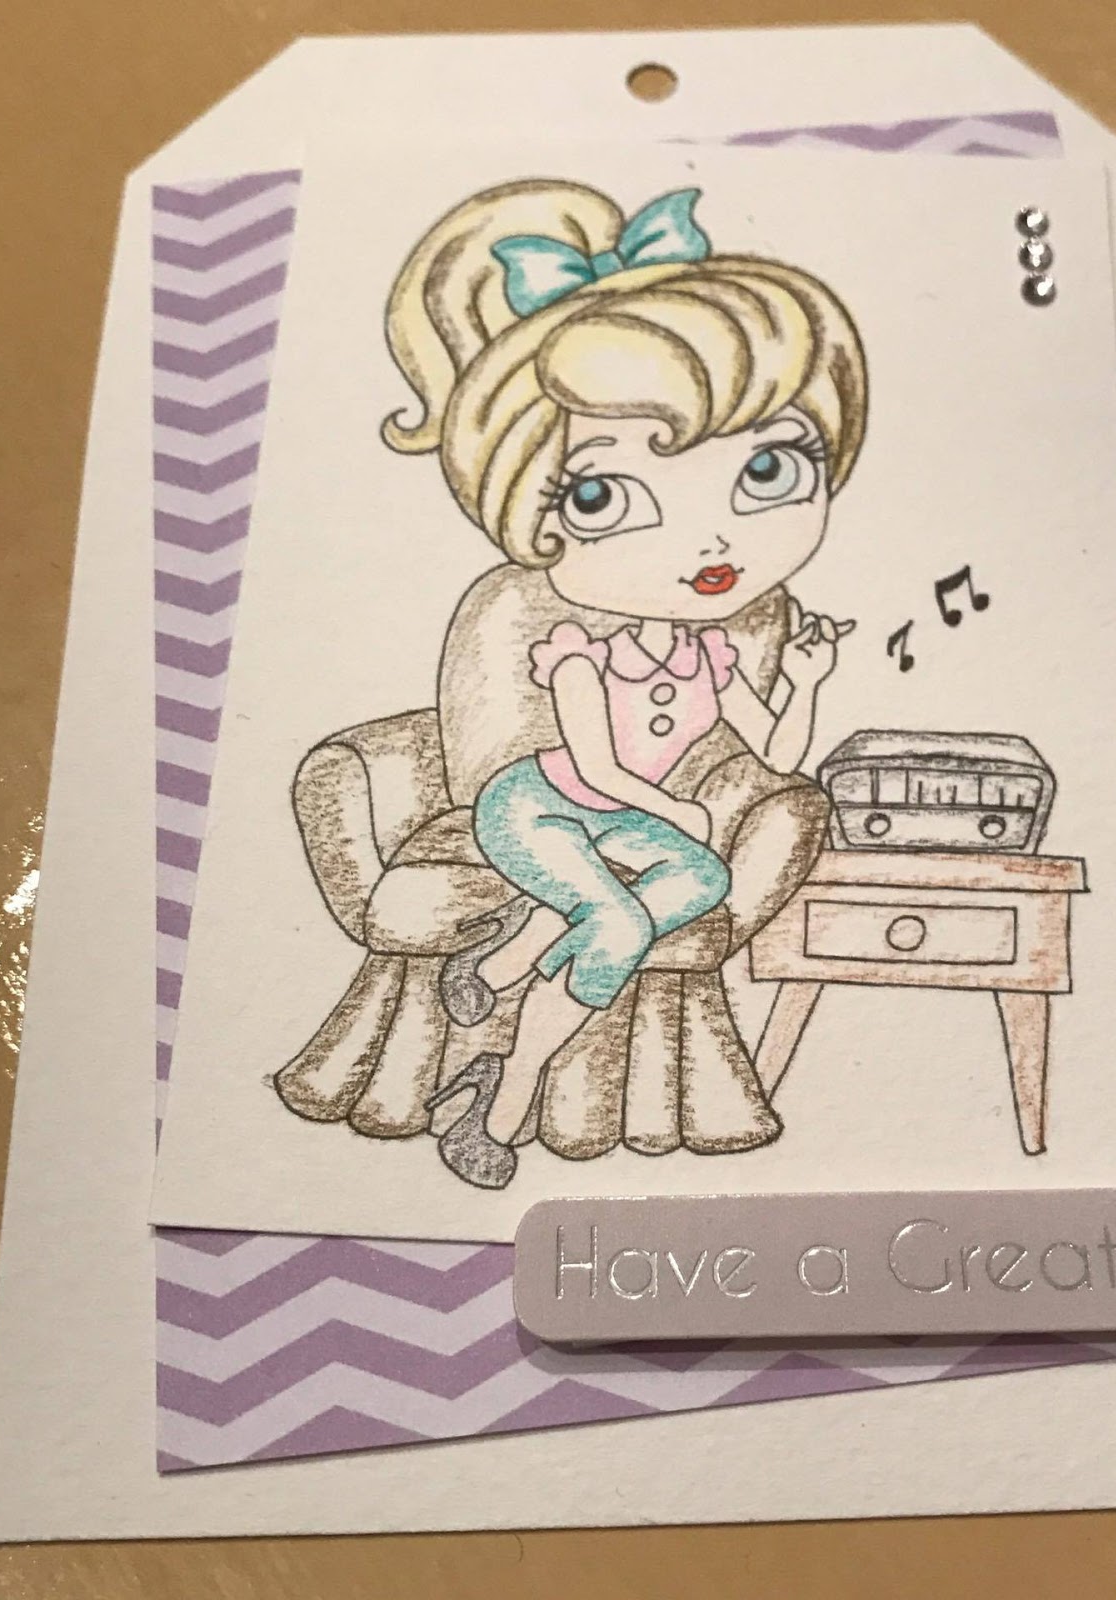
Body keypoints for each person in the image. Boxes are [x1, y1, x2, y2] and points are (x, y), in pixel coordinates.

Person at [382, 180, 868, 1187]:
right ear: (538, 518)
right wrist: (676, 810)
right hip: (539, 807)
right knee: (618, 915)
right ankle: (503, 1100)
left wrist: (807, 679)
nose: (711, 541)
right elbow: (594, 765)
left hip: (616, 822)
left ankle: (502, 976)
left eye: (769, 472)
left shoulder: (713, 652)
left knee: (700, 883)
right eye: (603, 495)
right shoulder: (575, 650)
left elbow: (772, 754)